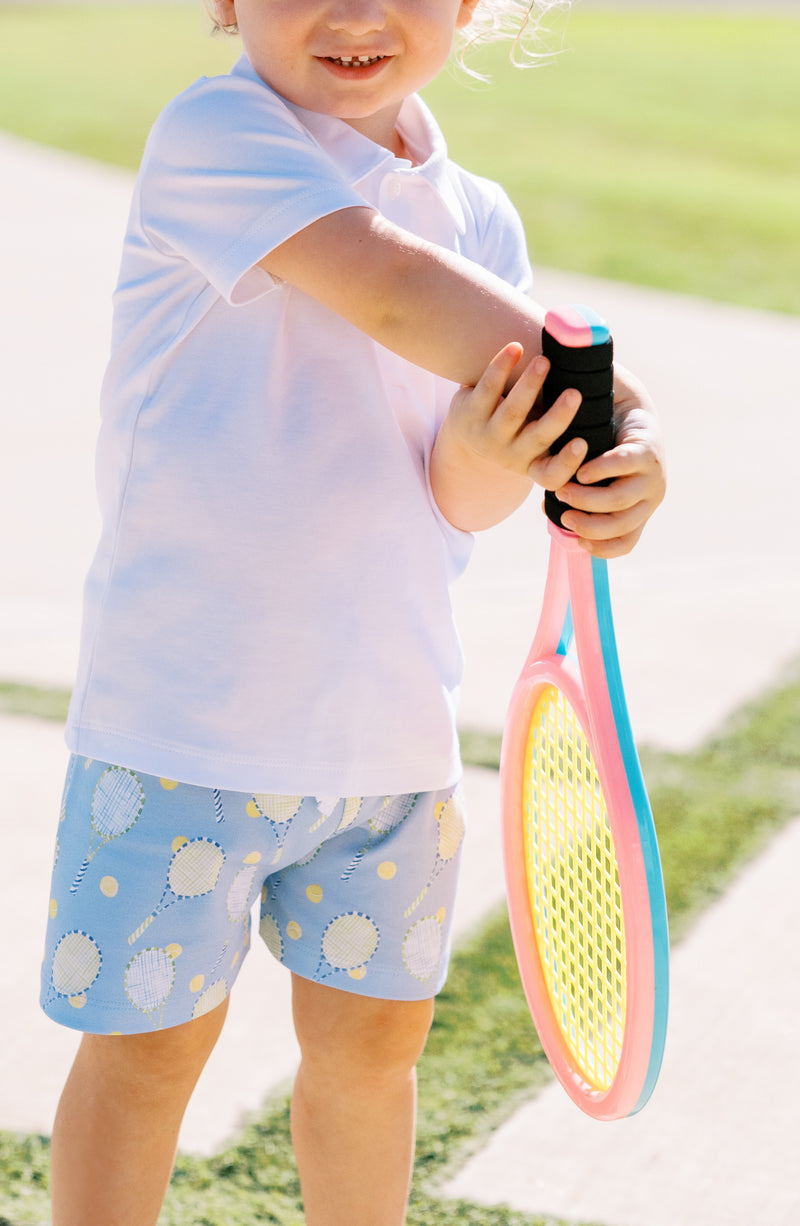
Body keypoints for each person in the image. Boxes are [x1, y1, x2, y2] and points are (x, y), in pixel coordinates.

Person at [40, 0, 665, 1222]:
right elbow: (381, 285)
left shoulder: (478, 216)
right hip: (183, 736)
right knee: (149, 1055)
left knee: (373, 1057)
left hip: (387, 744)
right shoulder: (217, 133)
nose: (357, 13)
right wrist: (615, 409)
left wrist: (531, 443)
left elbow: (457, 485)